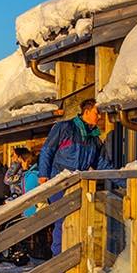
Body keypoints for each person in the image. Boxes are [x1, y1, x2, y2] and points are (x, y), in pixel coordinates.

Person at [36, 99, 115, 254]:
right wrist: (43, 175)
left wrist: (124, 181)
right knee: (63, 219)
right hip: (60, 181)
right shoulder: (64, 128)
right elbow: (47, 150)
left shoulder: (94, 139)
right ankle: (59, 258)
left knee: (79, 220)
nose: (99, 116)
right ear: (86, 112)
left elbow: (103, 165)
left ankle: (74, 256)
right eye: (96, 112)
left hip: (79, 184)